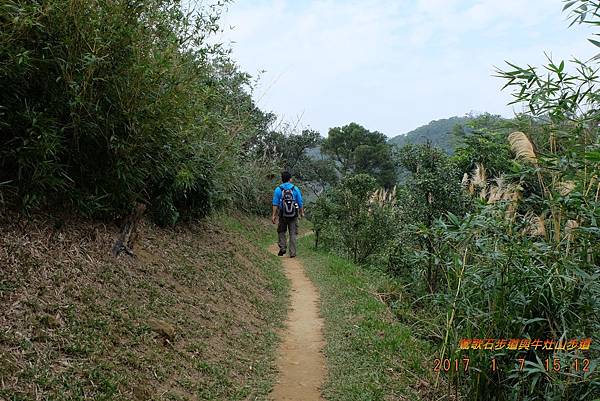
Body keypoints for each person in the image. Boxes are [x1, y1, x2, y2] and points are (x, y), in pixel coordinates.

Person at [272, 171, 304, 257]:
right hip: (293, 214)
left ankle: (282, 247)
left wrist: (274, 215)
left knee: (281, 231)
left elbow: (275, 203)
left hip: (283, 214)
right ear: (290, 179)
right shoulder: (295, 189)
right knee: (292, 233)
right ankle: (292, 253)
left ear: (282, 179)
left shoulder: (278, 189)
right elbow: (300, 202)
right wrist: (301, 212)